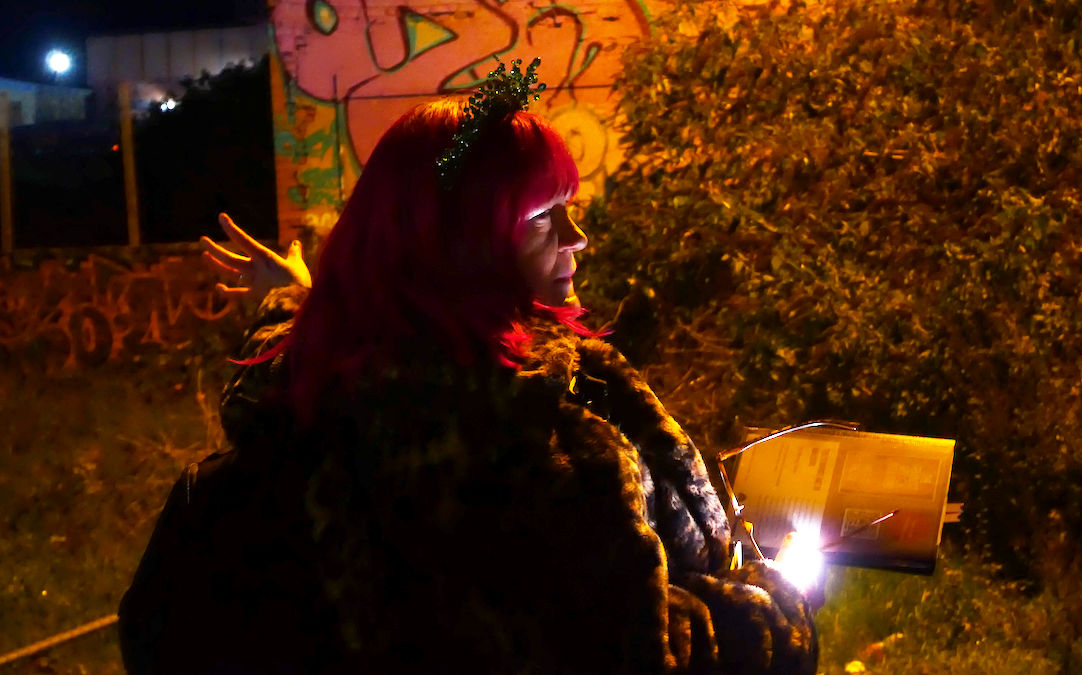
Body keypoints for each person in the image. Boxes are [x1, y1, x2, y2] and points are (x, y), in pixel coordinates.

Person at [118, 60, 817, 674]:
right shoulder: (545, 466)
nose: (577, 239)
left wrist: (295, 298)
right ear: (460, 245)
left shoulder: (304, 411)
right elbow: (646, 649)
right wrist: (775, 604)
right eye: (545, 217)